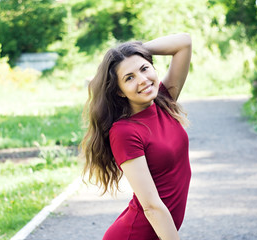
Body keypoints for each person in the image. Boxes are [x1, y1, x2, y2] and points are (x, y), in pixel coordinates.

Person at [81, 33, 192, 240]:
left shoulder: (164, 101)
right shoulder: (124, 132)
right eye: (129, 78)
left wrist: (133, 51)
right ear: (120, 91)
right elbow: (151, 206)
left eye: (144, 69)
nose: (142, 80)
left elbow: (184, 42)